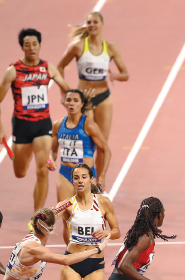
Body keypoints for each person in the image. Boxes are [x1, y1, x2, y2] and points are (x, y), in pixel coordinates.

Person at [0, 28, 70, 211]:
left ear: (40, 45)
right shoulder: (13, 71)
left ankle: (37, 216)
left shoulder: (47, 68)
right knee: (20, 172)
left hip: (43, 124)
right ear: (22, 47)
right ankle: (24, 156)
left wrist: (64, 97)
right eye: (27, 45)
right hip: (21, 126)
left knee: (42, 170)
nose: (32, 48)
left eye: (35, 44)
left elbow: (66, 88)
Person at [58, 11, 129, 186]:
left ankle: (99, 181)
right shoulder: (78, 46)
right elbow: (60, 66)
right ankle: (83, 180)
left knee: (102, 143)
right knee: (86, 143)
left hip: (104, 98)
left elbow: (125, 73)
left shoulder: (110, 48)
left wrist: (115, 76)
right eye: (89, 22)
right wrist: (64, 93)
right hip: (85, 100)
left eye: (95, 22)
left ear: (102, 24)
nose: (92, 25)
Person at [51, 89, 110, 204]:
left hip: (86, 175)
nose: (71, 103)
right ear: (64, 103)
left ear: (81, 104)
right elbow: (53, 151)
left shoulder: (89, 125)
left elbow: (106, 150)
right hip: (65, 173)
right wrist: (50, 160)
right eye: (68, 100)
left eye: (75, 100)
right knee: (66, 214)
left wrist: (102, 176)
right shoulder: (58, 125)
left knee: (87, 216)